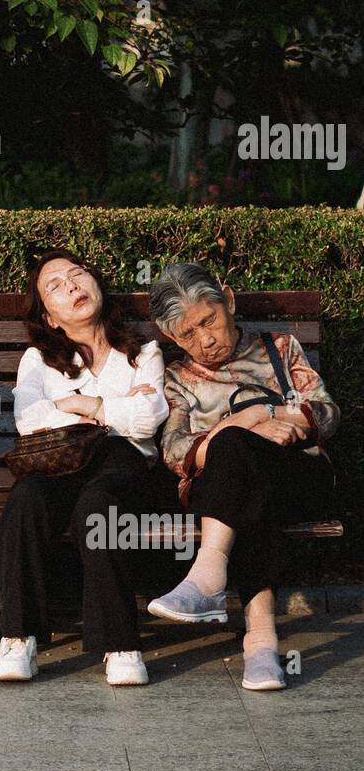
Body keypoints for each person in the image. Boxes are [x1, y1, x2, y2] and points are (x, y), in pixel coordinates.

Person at [148, 262, 339, 691]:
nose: (206, 340)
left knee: (241, 459)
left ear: (228, 300)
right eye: (188, 335)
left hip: (300, 477)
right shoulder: (179, 379)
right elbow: (174, 451)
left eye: (208, 320)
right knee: (240, 465)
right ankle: (262, 643)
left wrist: (261, 412)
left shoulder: (280, 349)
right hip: (227, 494)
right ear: (170, 338)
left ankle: (207, 579)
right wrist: (238, 429)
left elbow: (327, 414)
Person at [0, 250, 169, 687]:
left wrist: (79, 403)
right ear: (50, 318)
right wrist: (110, 410)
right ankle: (18, 639)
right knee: (25, 501)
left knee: (98, 506)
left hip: (124, 461)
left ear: (97, 286)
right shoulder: (38, 360)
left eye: (77, 275)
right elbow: (29, 420)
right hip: (60, 463)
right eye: (54, 286)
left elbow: (148, 419)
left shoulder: (143, 352)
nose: (71, 286)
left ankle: (122, 646)